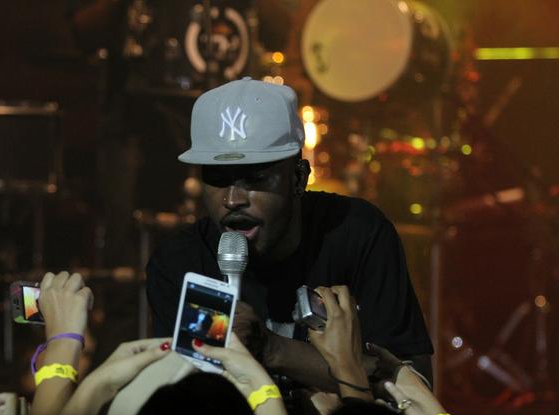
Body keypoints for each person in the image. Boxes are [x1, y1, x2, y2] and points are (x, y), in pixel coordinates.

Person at [146, 77, 434, 396]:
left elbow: (414, 386)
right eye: (216, 179)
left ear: (299, 178)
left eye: (254, 177)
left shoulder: (356, 233)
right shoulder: (182, 263)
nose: (232, 199)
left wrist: (272, 350)